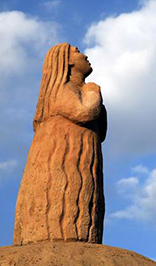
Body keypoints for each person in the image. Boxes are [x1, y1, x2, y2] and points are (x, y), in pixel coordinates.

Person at [13, 43, 107, 245]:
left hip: (84, 154)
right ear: (68, 61)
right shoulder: (62, 89)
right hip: (63, 153)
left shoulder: (78, 90)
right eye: (77, 51)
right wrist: (93, 90)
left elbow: (102, 131)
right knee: (63, 197)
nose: (85, 55)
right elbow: (84, 112)